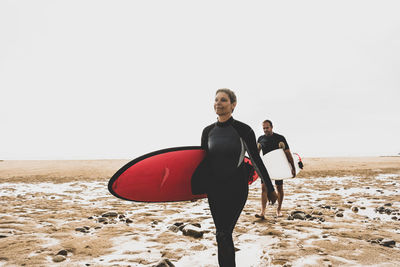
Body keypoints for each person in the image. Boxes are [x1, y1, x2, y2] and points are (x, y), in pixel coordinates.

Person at [191, 89, 277, 267]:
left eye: (223, 100)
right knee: (220, 234)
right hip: (215, 189)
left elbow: (255, 159)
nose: (218, 103)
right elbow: (203, 162)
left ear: (233, 104)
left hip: (236, 188)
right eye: (216, 100)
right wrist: (194, 188)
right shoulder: (207, 131)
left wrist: (269, 187)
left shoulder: (243, 130)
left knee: (224, 232)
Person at [255, 120, 296, 218]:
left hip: (278, 167)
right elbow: (256, 154)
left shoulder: (280, 138)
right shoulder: (260, 139)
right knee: (264, 188)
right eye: (264, 128)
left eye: (267, 128)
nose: (265, 130)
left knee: (279, 188)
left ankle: (279, 210)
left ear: (272, 127)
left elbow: (287, 153)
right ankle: (263, 212)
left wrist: (292, 167)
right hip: (266, 167)